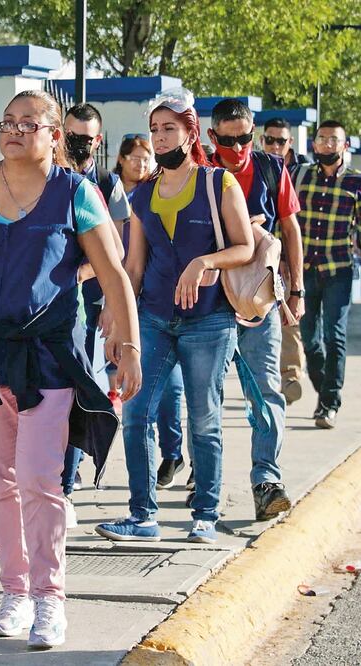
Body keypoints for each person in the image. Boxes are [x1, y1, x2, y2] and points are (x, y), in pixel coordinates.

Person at [0, 90, 141, 649]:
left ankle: (50, 600)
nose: (14, 131)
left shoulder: (75, 192)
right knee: (0, 483)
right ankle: (13, 594)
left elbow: (113, 272)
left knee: (41, 480)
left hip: (48, 357)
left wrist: (128, 344)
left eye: (28, 123)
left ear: (54, 136)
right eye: (7, 122)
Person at [96, 88, 254, 545]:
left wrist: (205, 262)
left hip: (209, 321)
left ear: (191, 133)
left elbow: (243, 246)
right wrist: (117, 315)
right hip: (154, 319)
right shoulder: (142, 196)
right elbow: (135, 267)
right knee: (136, 412)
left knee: (203, 419)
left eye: (169, 129)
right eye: (154, 130)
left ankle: (205, 513)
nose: (160, 138)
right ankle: (142, 516)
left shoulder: (216, 183)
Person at [206, 99, 303, 521]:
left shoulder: (270, 167)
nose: (239, 147)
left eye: (245, 137)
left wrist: (295, 288)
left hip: (260, 295)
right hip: (211, 301)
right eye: (228, 141)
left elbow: (292, 226)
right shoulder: (201, 171)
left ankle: (266, 480)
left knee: (265, 388)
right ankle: (204, 480)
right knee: (205, 395)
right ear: (213, 137)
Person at [60, 103, 129, 526]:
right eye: (71, 134)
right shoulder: (44, 177)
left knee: (74, 395)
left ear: (97, 141)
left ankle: (64, 487)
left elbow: (116, 255)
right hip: (35, 308)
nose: (78, 143)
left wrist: (107, 307)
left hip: (82, 311)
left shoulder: (106, 184)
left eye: (86, 137)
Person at [115, 135, 187, 491]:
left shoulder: (159, 192)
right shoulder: (113, 194)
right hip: (130, 298)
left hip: (162, 303)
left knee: (170, 388)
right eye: (136, 158)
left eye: (147, 159)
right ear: (122, 159)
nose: (142, 165)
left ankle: (173, 452)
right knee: (134, 394)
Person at [292, 120, 361, 429]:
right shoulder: (300, 175)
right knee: (308, 338)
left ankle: (329, 403)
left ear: (344, 146)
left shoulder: (356, 182)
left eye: (334, 140)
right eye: (322, 139)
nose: (328, 144)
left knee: (334, 335)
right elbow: (286, 221)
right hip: (303, 269)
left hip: (339, 269)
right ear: (314, 145)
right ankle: (325, 392)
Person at [261, 117, 310, 405]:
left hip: (289, 261)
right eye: (270, 139)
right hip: (262, 263)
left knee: (290, 320)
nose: (275, 145)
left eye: (281, 140)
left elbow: (295, 226)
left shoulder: (302, 173)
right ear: (262, 139)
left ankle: (290, 376)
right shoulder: (258, 167)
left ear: (290, 143)